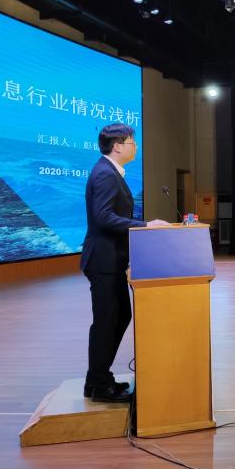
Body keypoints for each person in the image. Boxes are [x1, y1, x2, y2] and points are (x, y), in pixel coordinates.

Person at [80, 123, 170, 402]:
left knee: (118, 317)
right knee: (107, 322)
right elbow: (103, 216)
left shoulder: (110, 172)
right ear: (117, 146)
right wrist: (145, 225)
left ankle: (98, 380)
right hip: (103, 260)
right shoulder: (105, 174)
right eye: (133, 142)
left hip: (112, 259)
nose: (136, 147)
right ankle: (98, 384)